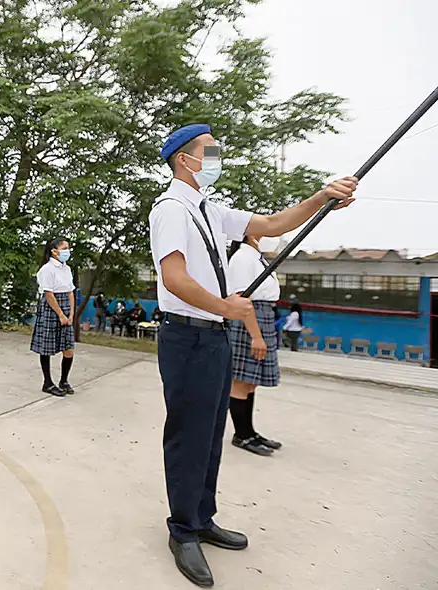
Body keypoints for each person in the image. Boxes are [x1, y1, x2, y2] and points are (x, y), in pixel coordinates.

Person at [150, 123, 356, 587]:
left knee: (210, 432)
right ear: (185, 159)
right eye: (211, 152)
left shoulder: (208, 209)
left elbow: (273, 224)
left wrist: (322, 197)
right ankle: (182, 530)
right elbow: (174, 279)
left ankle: (202, 517)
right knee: (187, 434)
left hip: (215, 335)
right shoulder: (170, 209)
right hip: (187, 336)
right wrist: (227, 307)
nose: (218, 159)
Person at [226, 237, 285, 457]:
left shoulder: (257, 258)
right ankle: (241, 435)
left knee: (251, 382)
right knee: (240, 381)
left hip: (263, 315)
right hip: (249, 319)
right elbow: (242, 299)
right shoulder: (242, 258)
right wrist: (256, 336)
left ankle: (250, 431)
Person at [30, 238, 76, 396]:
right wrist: (60, 314)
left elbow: (71, 292)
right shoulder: (47, 269)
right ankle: (47, 383)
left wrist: (71, 314)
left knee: (69, 348)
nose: (67, 251)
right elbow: (48, 294)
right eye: (64, 248)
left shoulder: (67, 269)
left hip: (66, 306)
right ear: (54, 251)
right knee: (47, 347)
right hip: (52, 307)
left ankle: (64, 380)